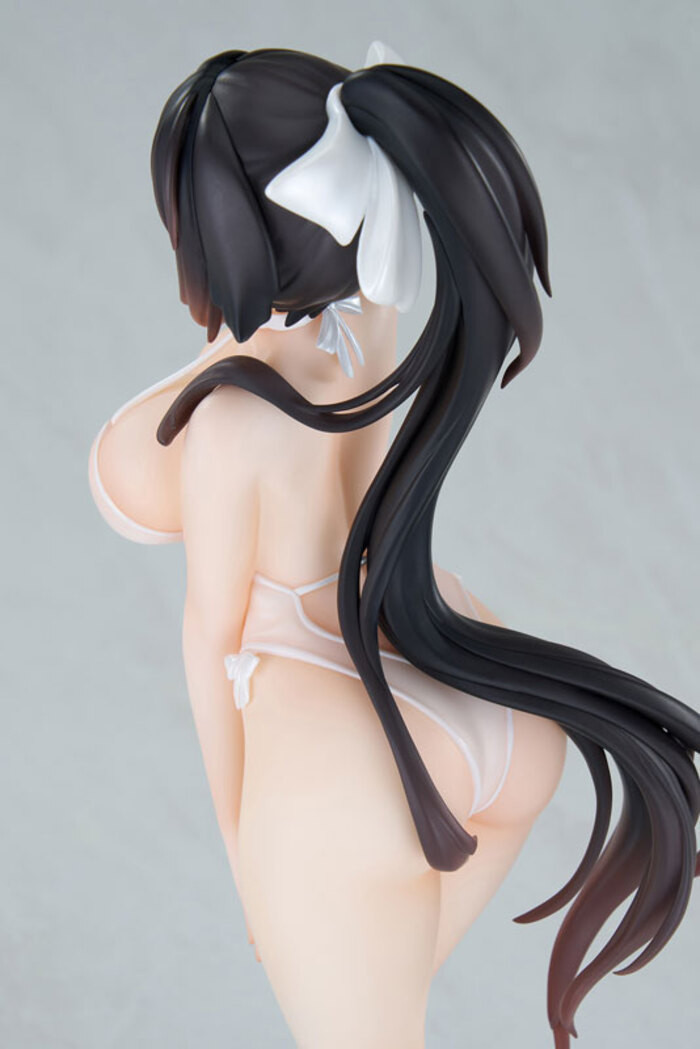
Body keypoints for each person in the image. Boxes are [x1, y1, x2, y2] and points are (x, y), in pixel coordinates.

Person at [88, 42, 700, 1049]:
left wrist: (245, 856)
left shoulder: (231, 421)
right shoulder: (366, 322)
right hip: (457, 684)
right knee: (386, 1019)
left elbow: (210, 635)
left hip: (333, 746)